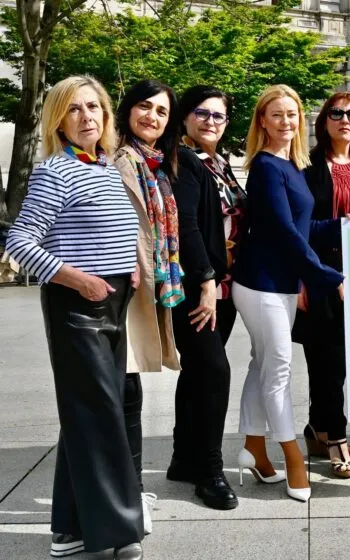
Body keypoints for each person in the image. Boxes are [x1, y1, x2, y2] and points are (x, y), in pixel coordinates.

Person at [5, 75, 144, 559]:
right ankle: (119, 531)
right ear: (58, 121)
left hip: (114, 303)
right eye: (74, 109)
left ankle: (68, 530)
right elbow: (19, 242)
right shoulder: (55, 171)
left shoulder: (104, 166)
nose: (87, 117)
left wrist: (130, 267)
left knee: (88, 413)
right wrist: (79, 279)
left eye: (94, 107)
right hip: (78, 309)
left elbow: (110, 229)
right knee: (101, 415)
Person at [232, 85, 344, 502]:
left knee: (262, 364)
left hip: (281, 285)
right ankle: (293, 456)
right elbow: (283, 234)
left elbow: (301, 226)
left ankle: (253, 448)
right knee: (278, 370)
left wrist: (341, 226)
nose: (285, 121)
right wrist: (328, 277)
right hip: (260, 284)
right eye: (276, 114)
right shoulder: (265, 166)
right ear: (262, 121)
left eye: (292, 114)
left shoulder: (291, 165)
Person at [295, 92, 350, 479]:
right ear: (324, 121)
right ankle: (337, 440)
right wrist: (304, 276)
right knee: (327, 364)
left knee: (339, 365)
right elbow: (298, 227)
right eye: (337, 113)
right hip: (321, 274)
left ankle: (317, 428)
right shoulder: (308, 167)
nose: (345, 119)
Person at [167, 85, 245, 511]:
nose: (210, 121)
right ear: (184, 117)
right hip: (199, 287)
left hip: (223, 286)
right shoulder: (184, 161)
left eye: (218, 115)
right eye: (201, 113)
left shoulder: (219, 163)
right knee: (214, 371)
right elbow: (186, 226)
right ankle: (210, 471)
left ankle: (183, 457)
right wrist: (205, 281)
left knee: (198, 371)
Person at [114, 79, 183, 536]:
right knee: (122, 393)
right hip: (120, 290)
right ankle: (127, 493)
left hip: (145, 284)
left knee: (129, 391)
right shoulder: (118, 159)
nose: (152, 117)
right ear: (127, 110)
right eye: (144, 106)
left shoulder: (155, 165)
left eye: (161, 111)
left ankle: (130, 488)